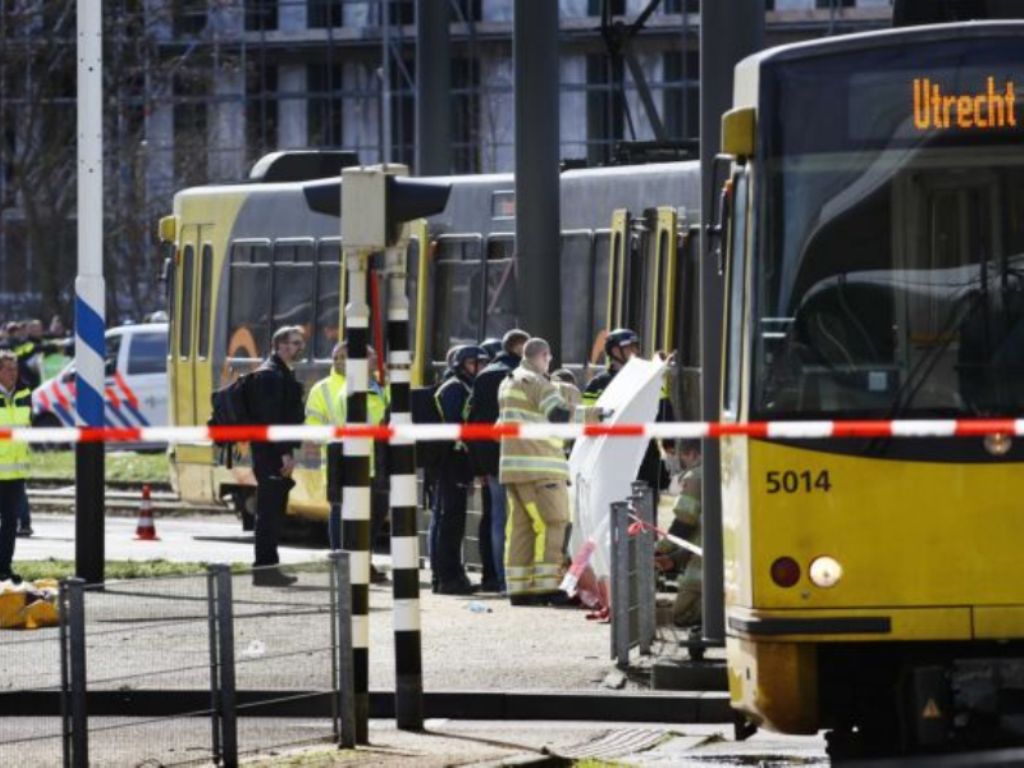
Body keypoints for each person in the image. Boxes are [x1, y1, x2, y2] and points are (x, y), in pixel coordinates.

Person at [498, 337, 597, 606]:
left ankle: (519, 589)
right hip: (541, 467)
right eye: (548, 358)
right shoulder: (537, 382)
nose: (549, 363)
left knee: (520, 529)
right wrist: (595, 415)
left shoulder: (508, 382)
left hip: (514, 469)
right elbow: (558, 414)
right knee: (553, 523)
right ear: (543, 356)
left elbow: (498, 428)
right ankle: (547, 587)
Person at [466, 329, 529, 593]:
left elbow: (472, 422)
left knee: (497, 518)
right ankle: (515, 578)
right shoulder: (522, 375)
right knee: (521, 520)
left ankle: (499, 577)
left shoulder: (484, 375)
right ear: (519, 348)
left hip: (491, 459)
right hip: (520, 455)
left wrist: (478, 465)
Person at [247, 326, 307, 586]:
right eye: (295, 343)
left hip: (273, 451)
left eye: (300, 343)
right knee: (269, 514)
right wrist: (283, 453)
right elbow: (271, 419)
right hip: (270, 453)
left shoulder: (280, 372)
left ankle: (268, 567)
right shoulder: (271, 375)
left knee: (273, 512)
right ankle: (264, 570)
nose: (300, 348)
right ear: (280, 345)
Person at [582, 328, 674, 498]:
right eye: (630, 347)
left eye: (636, 347)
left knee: (646, 506)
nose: (635, 351)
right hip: (610, 457)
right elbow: (587, 421)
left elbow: (665, 412)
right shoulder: (597, 385)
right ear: (615, 351)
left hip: (644, 454)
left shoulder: (648, 380)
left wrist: (670, 446)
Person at [432, 344, 489, 595]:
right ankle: (448, 577)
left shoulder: (465, 386)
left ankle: (452, 575)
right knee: (450, 520)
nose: (479, 368)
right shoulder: (454, 388)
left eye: (482, 363)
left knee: (454, 520)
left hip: (459, 460)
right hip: (451, 460)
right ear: (461, 365)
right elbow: (457, 425)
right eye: (474, 363)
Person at [661, 439, 702, 628]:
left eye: (681, 457)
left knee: (682, 614)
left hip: (703, 568)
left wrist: (661, 548)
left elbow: (685, 522)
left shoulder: (695, 476)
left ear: (692, 454)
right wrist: (674, 559)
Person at [0, 351, 31, 584]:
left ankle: (4, 567)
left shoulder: (24, 393)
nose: (13, 373)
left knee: (11, 522)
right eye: (8, 369)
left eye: (15, 369)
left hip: (16, 472)